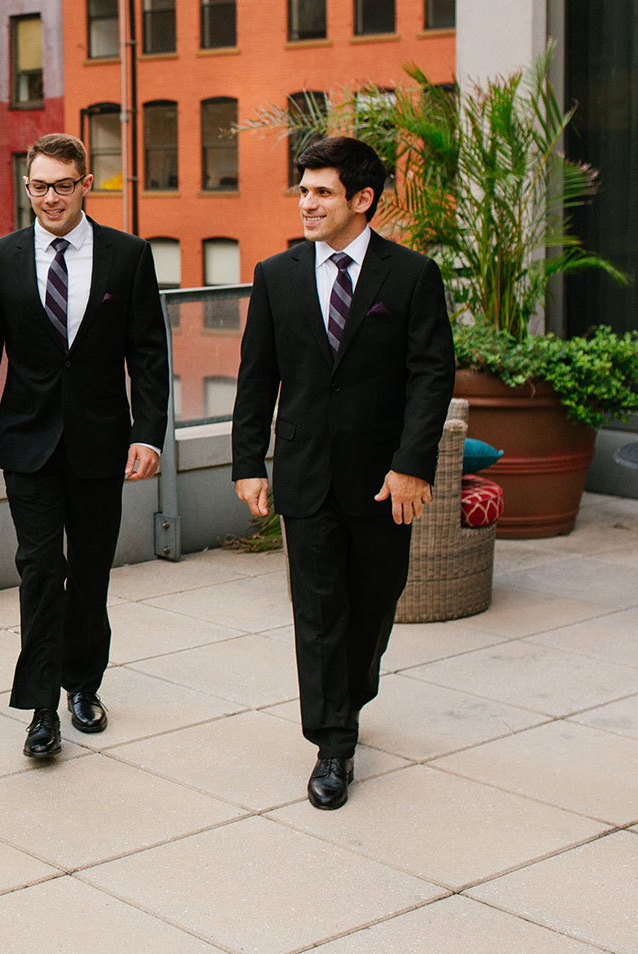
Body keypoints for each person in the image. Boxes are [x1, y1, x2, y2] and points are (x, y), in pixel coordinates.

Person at [231, 135, 453, 810]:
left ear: (362, 199)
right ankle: (332, 742)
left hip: (385, 481)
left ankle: (351, 694)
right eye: (303, 189)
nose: (307, 202)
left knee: (374, 605)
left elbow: (430, 376)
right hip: (305, 473)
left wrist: (413, 466)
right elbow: (255, 376)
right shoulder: (277, 275)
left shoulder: (412, 276)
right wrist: (248, 463)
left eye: (322, 191)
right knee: (319, 610)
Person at [0, 133, 168, 757]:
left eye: (63, 185)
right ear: (26, 187)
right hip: (27, 443)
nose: (50, 197)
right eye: (39, 186)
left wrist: (149, 433)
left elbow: (148, 352)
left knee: (89, 572)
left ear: (87, 184)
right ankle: (40, 709)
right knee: (39, 569)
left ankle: (83, 683)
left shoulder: (128, 255)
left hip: (101, 441)